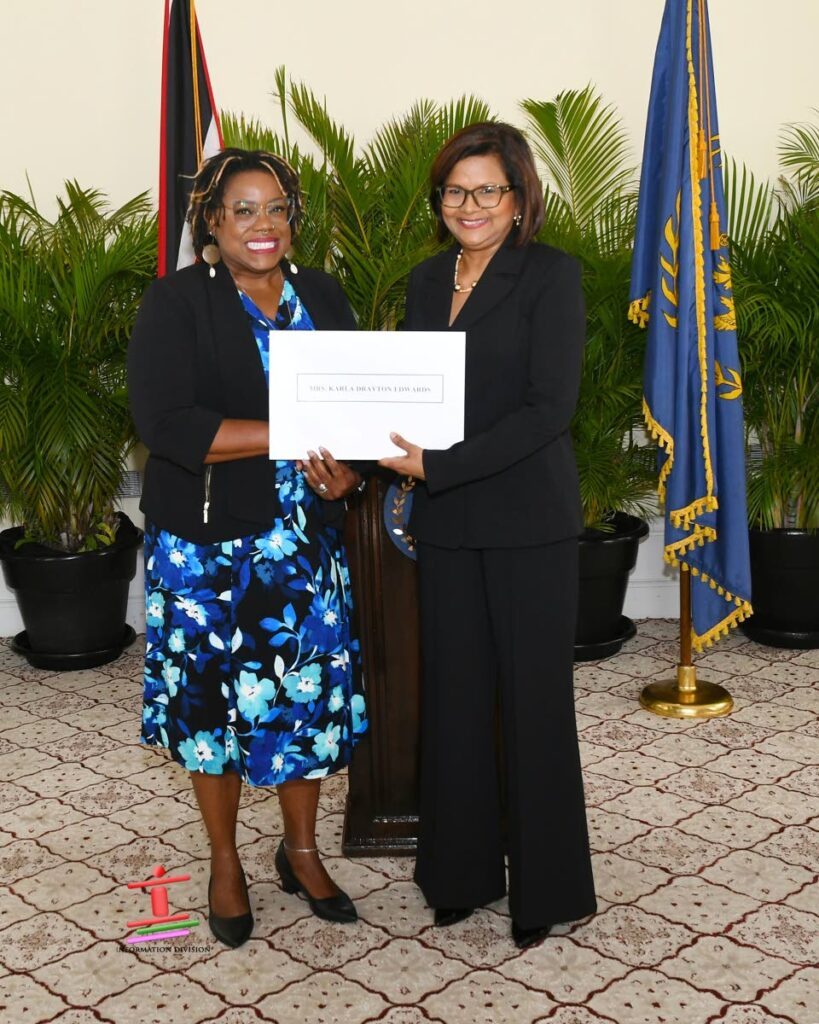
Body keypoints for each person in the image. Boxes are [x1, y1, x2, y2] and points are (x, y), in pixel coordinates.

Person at [128, 148, 368, 948]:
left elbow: (352, 421)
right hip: (208, 556)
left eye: (276, 209)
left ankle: (300, 851)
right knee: (211, 714)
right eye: (243, 210)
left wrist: (346, 479)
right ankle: (225, 860)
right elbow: (167, 428)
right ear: (212, 220)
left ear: (292, 218)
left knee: (301, 706)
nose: (262, 226)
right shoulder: (176, 304)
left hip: (305, 545)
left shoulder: (325, 297)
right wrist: (290, 432)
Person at [380, 122, 596, 949]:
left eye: (486, 190)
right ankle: (459, 874)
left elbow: (549, 409)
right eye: (454, 191)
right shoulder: (425, 280)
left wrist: (438, 465)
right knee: (456, 699)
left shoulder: (552, 278)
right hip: (446, 526)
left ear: (518, 200)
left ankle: (547, 887)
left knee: (533, 704)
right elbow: (405, 393)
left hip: (525, 520)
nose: (468, 205)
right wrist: (375, 446)